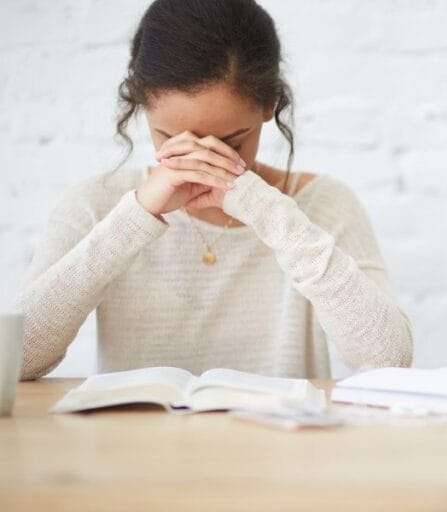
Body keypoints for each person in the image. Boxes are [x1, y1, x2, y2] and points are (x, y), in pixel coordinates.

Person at [13, 0, 413, 381]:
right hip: (136, 451)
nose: (204, 163)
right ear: (142, 106)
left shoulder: (324, 204)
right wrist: (137, 215)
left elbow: (388, 358)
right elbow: (18, 359)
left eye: (231, 144)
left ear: (269, 106)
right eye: (171, 138)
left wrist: (266, 210)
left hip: (286, 447)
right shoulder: (95, 204)